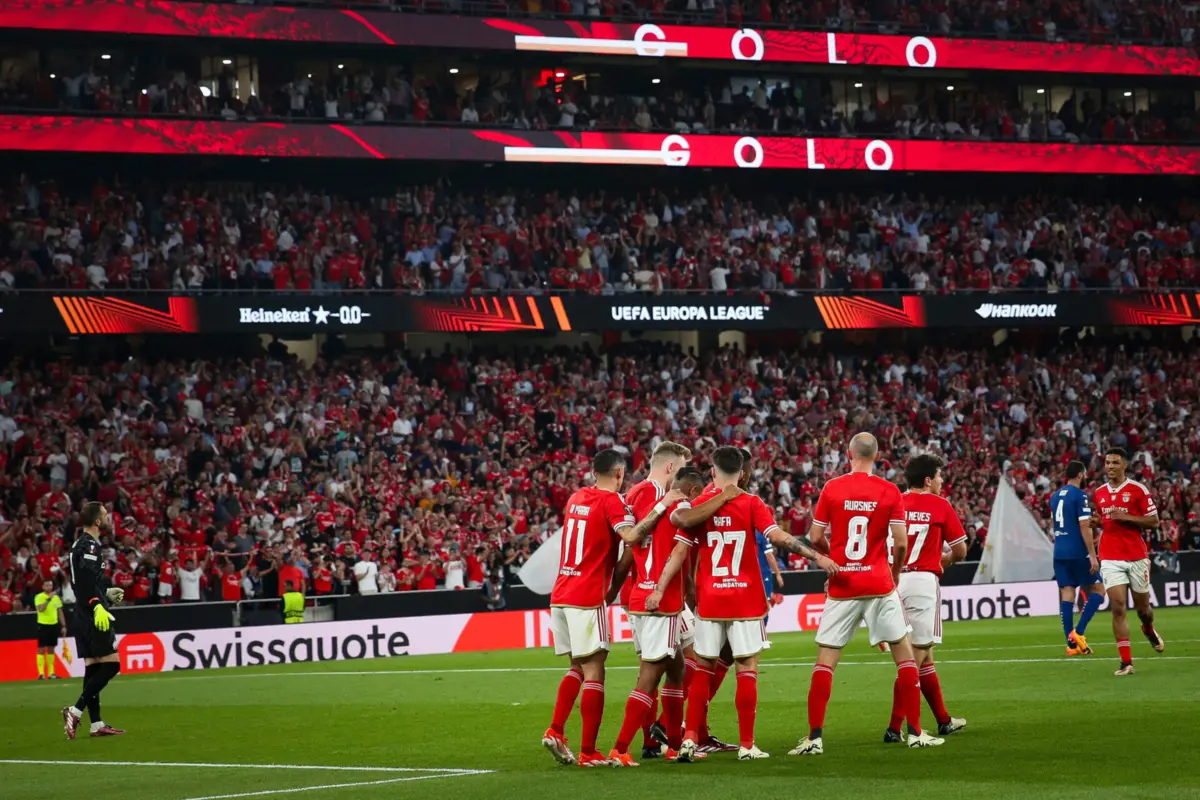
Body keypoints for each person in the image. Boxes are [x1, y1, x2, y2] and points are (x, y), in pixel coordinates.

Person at [665, 446, 838, 762]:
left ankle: (688, 739)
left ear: (713, 472)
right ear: (742, 474)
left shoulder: (700, 504)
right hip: (745, 600)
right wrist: (817, 556)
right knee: (746, 668)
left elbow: (680, 525)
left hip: (711, 600)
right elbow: (780, 538)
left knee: (703, 668)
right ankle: (746, 744)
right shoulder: (752, 503)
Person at [792, 433, 945, 755]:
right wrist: (895, 572)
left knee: (825, 661)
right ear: (877, 456)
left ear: (849, 453)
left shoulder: (832, 488)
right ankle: (916, 732)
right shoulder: (889, 491)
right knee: (904, 657)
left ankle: (814, 738)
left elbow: (815, 535)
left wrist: (833, 560)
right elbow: (900, 543)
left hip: (843, 583)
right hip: (879, 582)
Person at [541, 448, 635, 768]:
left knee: (577, 668)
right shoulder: (613, 502)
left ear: (594, 472)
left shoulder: (576, 497)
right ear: (620, 474)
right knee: (596, 670)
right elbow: (629, 536)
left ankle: (556, 730)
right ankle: (588, 751)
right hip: (588, 594)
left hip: (562, 592)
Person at [607, 466, 704, 766]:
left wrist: (612, 593)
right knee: (649, 676)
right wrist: (663, 590)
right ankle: (620, 748)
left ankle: (673, 745)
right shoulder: (682, 508)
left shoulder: (648, 509)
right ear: (690, 491)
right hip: (659, 602)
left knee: (676, 671)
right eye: (698, 495)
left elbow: (629, 547)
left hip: (640, 596)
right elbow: (678, 554)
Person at [883, 454, 968, 743]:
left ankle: (944, 720)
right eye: (940, 477)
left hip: (893, 581)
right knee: (913, 660)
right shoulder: (940, 505)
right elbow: (960, 550)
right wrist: (943, 560)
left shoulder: (894, 502)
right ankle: (896, 727)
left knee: (924, 656)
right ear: (929, 480)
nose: (942, 482)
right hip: (922, 582)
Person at [1091, 447, 1165, 676]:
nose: (1110, 467)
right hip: (1110, 557)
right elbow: (1104, 519)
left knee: (1144, 610)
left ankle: (1149, 629)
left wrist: (1128, 517)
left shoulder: (1137, 490)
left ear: (1124, 465)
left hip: (1136, 556)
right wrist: (1097, 522)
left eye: (1115, 463)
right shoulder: (1099, 493)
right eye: (1107, 463)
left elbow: (1154, 522)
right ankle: (1126, 662)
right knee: (1118, 607)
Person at [62, 501, 125, 739]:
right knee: (112, 664)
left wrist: (104, 592)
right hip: (92, 612)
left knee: (93, 667)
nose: (108, 518)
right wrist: (98, 604)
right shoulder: (88, 545)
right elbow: (86, 583)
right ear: (97, 521)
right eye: (106, 515)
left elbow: (86, 582)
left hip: (82, 610)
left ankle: (96, 724)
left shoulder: (80, 544)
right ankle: (75, 710)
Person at [1050, 460, 1104, 656]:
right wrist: (1092, 554)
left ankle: (1070, 646)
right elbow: (1084, 526)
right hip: (1077, 550)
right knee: (1099, 590)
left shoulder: (1054, 497)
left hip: (1059, 551)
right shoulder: (1080, 496)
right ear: (1080, 474)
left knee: (1067, 594)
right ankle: (1078, 633)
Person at [34, 578, 66, 680]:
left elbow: (60, 612)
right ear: (43, 587)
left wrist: (64, 626)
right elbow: (41, 609)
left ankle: (51, 673)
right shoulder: (39, 597)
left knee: (51, 649)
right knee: (41, 649)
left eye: (50, 585)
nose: (49, 587)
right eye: (47, 585)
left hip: (54, 625)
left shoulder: (56, 598)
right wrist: (48, 599)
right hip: (43, 625)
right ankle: (41, 674)